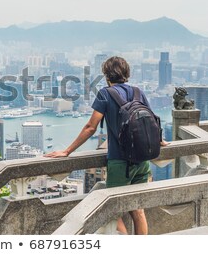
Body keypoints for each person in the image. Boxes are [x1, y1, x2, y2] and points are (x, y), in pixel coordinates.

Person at [45, 56, 168, 235]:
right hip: (142, 160)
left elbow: (90, 127)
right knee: (138, 210)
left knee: (112, 212)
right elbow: (152, 120)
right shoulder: (137, 91)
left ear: (106, 75)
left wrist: (67, 151)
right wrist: (161, 141)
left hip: (119, 162)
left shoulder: (105, 94)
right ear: (127, 73)